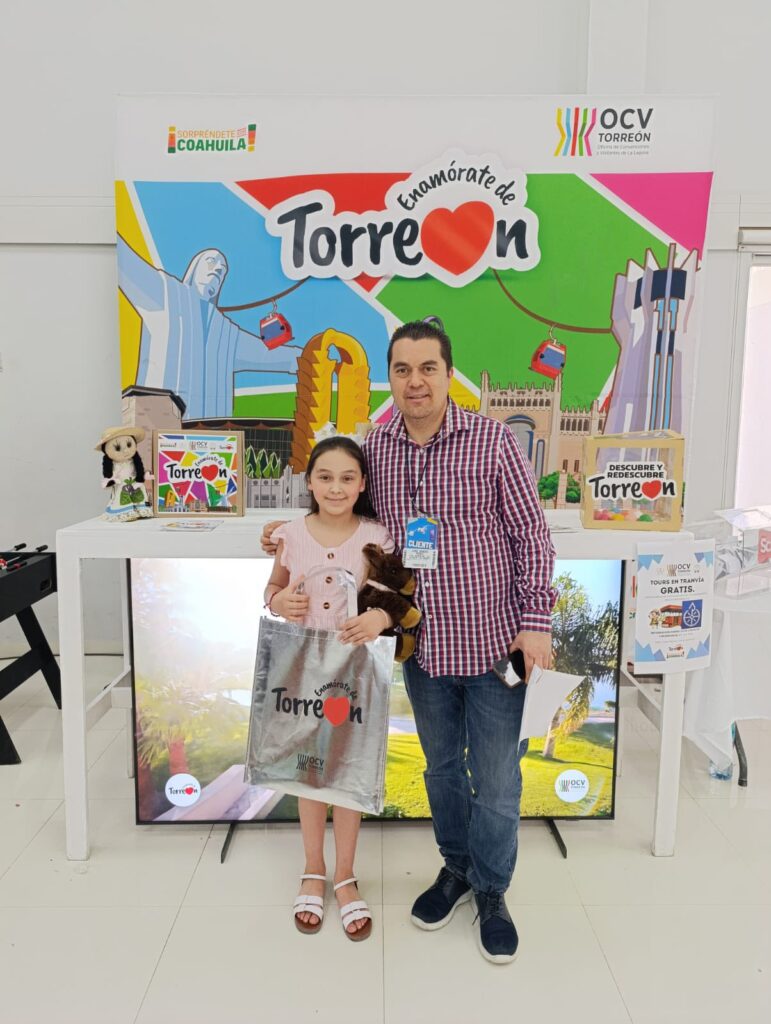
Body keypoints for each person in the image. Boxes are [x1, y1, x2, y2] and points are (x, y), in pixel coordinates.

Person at [263, 318, 556, 964]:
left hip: (494, 643)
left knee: (498, 781)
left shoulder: (491, 441)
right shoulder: (377, 445)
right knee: (441, 770)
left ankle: (491, 890)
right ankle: (456, 869)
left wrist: (536, 620)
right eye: (402, 369)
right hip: (419, 649)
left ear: (447, 374)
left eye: (428, 368)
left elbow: (532, 535)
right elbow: (352, 520)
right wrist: (286, 534)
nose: (415, 381)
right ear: (390, 377)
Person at [263, 436, 396, 942]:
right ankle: (313, 869)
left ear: (362, 485)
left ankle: (345, 874)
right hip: (302, 669)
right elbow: (273, 587)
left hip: (354, 672)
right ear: (309, 482)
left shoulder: (378, 537)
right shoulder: (290, 535)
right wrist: (279, 603)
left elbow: (393, 596)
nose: (335, 487)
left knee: (346, 769)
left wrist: (379, 618)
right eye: (325, 477)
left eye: (347, 478)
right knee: (310, 768)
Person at [117, 237, 301, 419]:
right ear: (195, 268)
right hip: (158, 423)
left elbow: (264, 354)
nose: (219, 269)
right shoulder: (165, 294)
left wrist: (306, 356)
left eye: (223, 271)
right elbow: (129, 266)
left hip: (211, 431)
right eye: (211, 261)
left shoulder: (226, 332)